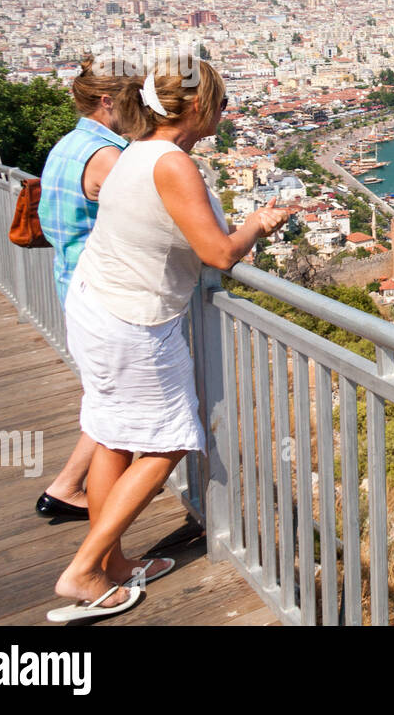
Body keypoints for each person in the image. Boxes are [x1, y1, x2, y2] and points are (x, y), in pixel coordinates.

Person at [48, 52, 290, 621]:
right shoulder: (172, 164)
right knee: (169, 442)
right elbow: (219, 254)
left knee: (111, 437)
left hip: (95, 306)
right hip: (136, 322)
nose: (226, 116)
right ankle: (83, 569)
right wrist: (260, 221)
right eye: (224, 104)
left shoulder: (133, 152)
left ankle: (112, 564)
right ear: (200, 105)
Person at [35, 53, 133, 523]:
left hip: (71, 282)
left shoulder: (67, 145)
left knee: (106, 398)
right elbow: (146, 218)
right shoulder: (106, 156)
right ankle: (103, 515)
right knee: (118, 405)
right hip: (105, 295)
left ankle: (68, 487)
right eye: (134, 100)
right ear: (109, 101)